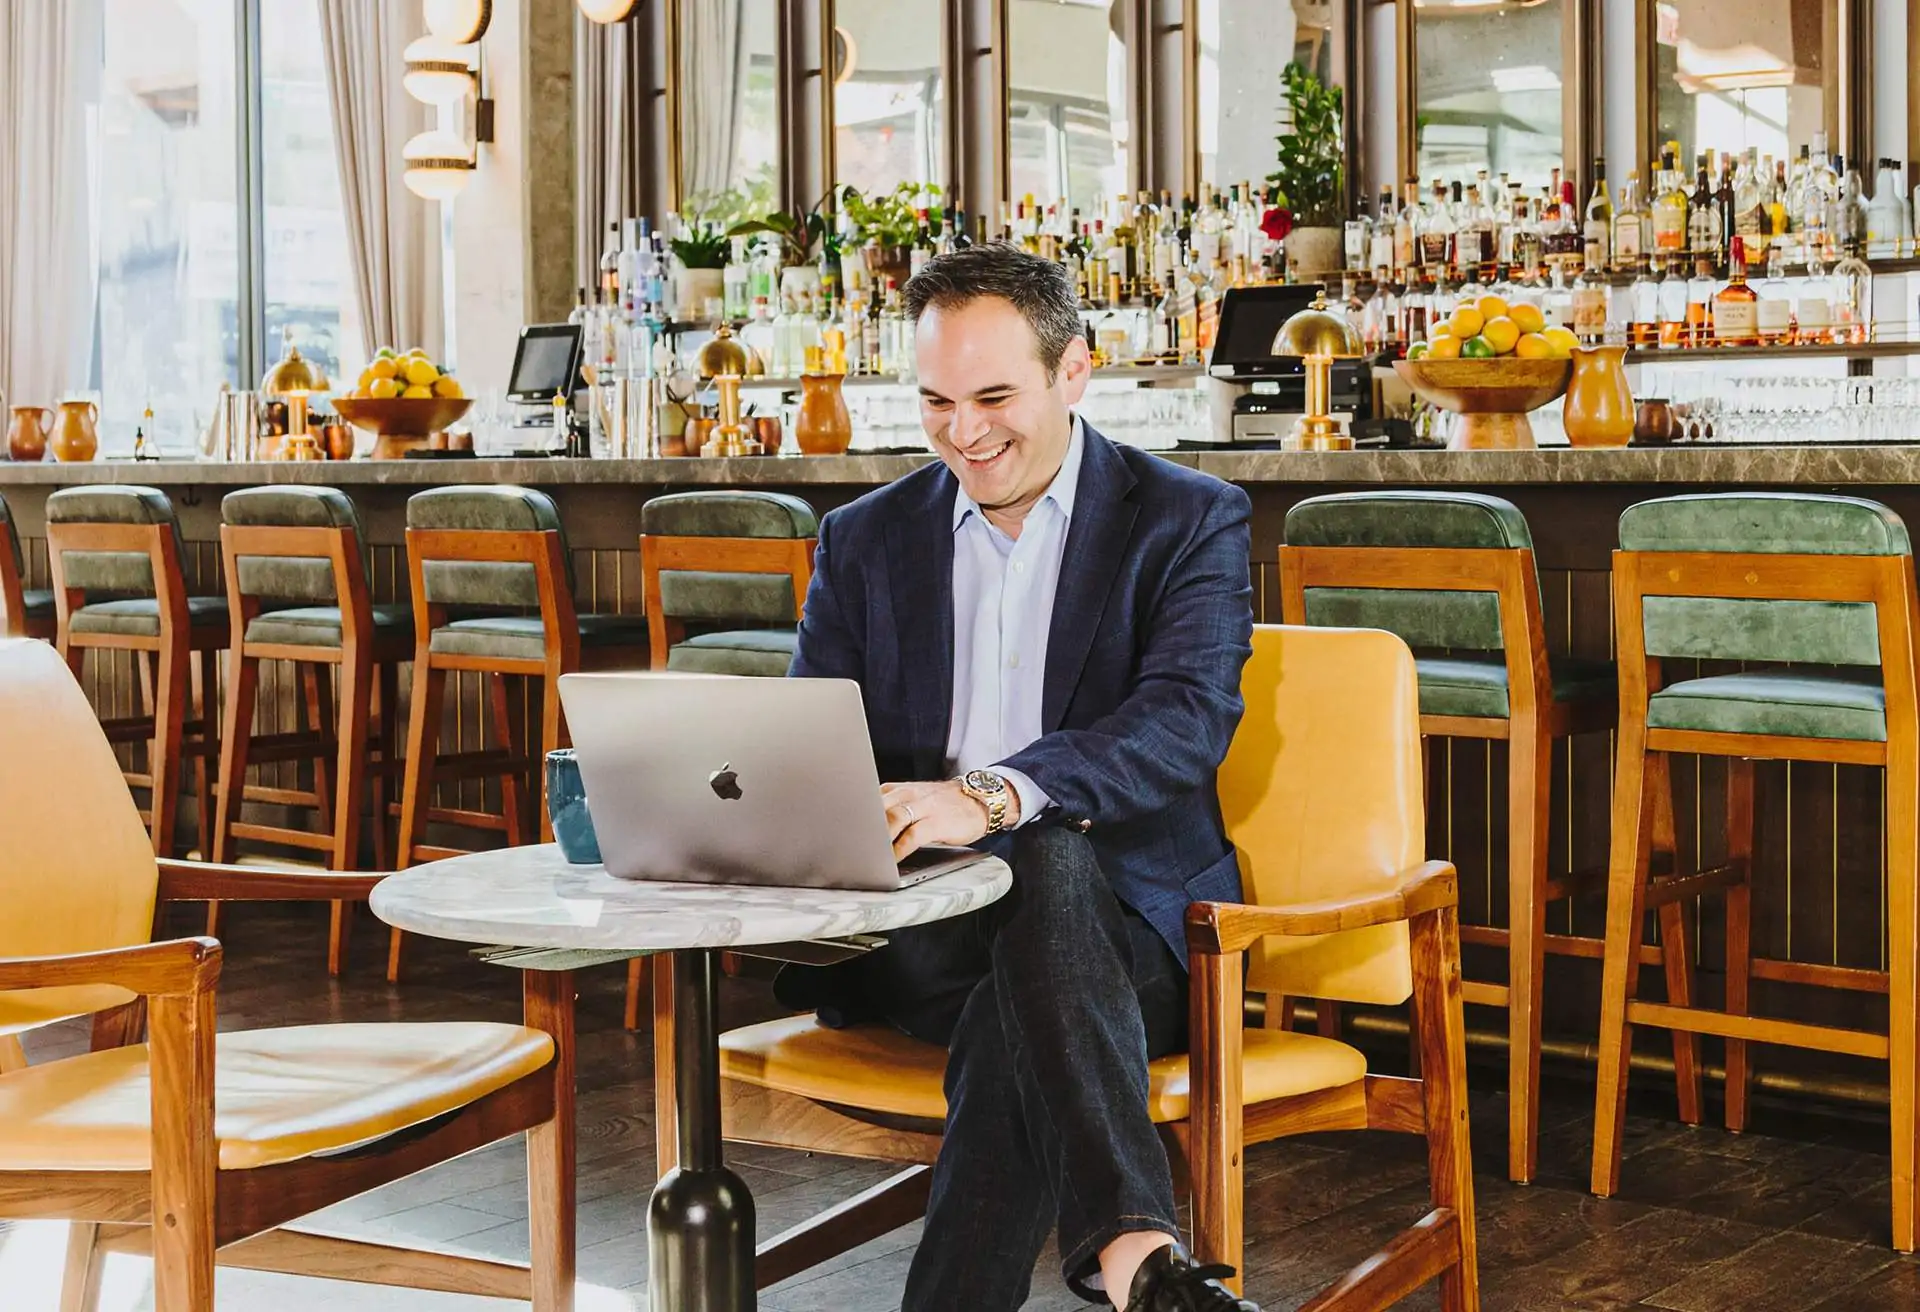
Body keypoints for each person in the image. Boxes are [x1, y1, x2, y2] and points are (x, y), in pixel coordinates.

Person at [783, 242, 1258, 1312]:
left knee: (1041, 884)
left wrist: (994, 794)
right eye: (937, 400)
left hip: (1132, 934)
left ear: (1075, 371)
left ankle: (1133, 1264)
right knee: (1023, 980)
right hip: (925, 927)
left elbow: (1187, 720)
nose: (966, 431)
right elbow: (809, 741)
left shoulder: (1187, 517)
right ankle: (1145, 1267)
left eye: (995, 394)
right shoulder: (863, 540)